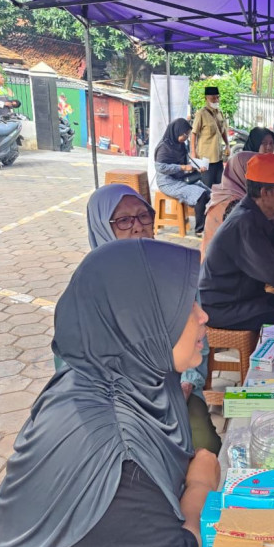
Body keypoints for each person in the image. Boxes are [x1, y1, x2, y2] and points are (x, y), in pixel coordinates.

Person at [0, 239, 221, 547]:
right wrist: (200, 488)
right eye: (184, 305)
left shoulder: (98, 377)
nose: (203, 315)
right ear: (140, 319)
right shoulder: (116, 467)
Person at [85, 184, 222, 455]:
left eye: (143, 215)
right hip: (116, 405)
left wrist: (188, 382)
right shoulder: (89, 289)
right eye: (123, 220)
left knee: (205, 448)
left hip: (176, 387)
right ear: (101, 227)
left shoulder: (173, 271)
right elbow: (79, 365)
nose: (138, 226)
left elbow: (199, 338)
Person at [200, 153, 274, 331]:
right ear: (264, 193)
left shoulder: (255, 213)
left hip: (239, 297)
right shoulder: (245, 221)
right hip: (221, 306)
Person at [155, 118, 211, 236]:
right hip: (168, 182)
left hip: (180, 178)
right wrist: (182, 168)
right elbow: (160, 167)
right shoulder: (164, 147)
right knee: (199, 195)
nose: (186, 137)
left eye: (188, 135)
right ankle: (199, 230)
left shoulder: (181, 145)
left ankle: (208, 224)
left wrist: (197, 167)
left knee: (208, 192)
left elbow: (186, 163)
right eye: (185, 134)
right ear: (176, 131)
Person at [191, 86, 229, 191]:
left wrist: (227, 145)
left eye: (217, 97)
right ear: (206, 98)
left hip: (218, 157)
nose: (216, 100)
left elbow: (223, 131)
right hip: (205, 159)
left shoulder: (220, 113)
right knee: (206, 188)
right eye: (213, 98)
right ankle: (204, 207)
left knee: (219, 188)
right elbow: (193, 134)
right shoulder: (201, 114)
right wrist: (193, 154)